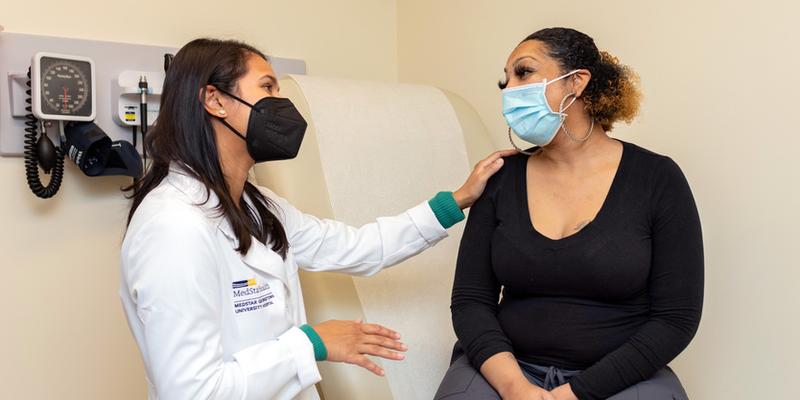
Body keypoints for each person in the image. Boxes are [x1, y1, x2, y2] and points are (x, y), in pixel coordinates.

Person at [120, 38, 514, 400]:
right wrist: (312, 343)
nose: (281, 103)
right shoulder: (173, 227)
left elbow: (359, 247)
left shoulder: (259, 206)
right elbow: (191, 393)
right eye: (268, 88)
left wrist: (457, 200)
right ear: (215, 100)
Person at [435, 27, 703, 400]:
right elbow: (470, 302)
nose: (509, 90)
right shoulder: (499, 179)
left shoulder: (658, 178)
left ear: (576, 82)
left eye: (523, 73)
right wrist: (515, 388)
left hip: (620, 377)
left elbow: (676, 319)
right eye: (505, 80)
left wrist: (574, 394)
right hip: (507, 371)